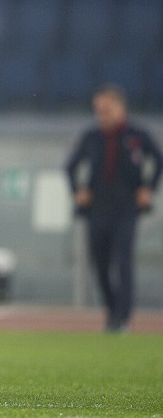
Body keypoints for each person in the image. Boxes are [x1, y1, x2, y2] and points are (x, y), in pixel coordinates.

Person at [66, 84, 161, 332]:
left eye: (107, 109)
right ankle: (112, 312)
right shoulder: (91, 136)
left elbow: (158, 160)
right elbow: (71, 166)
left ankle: (123, 317)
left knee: (123, 262)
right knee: (100, 264)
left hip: (126, 208)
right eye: (98, 110)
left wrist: (148, 188)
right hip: (97, 209)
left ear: (120, 108)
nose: (102, 115)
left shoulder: (137, 136)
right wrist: (78, 190)